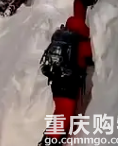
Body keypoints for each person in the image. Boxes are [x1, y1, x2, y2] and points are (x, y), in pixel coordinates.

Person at [39, 16, 94, 145]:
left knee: (60, 112)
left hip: (56, 81)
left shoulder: (60, 38)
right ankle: (50, 142)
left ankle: (52, 140)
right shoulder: (80, 41)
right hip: (68, 84)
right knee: (64, 114)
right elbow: (92, 54)